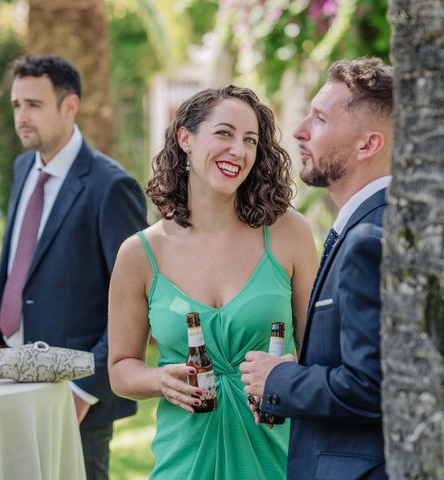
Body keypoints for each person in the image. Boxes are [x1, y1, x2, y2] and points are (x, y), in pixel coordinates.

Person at [108, 85, 318, 479]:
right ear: (185, 138)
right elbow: (120, 368)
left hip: (278, 458)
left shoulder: (289, 233)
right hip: (183, 463)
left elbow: (322, 349)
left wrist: (291, 370)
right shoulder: (139, 254)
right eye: (224, 133)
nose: (238, 151)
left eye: (250, 140)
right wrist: (159, 379)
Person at [0, 54, 147, 480]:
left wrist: (83, 391)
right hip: (9, 375)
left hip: (75, 392)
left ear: (70, 106)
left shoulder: (111, 186)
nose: (22, 116)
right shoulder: (24, 166)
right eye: (16, 104)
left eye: (34, 105)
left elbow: (137, 301)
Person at [239, 57, 393, 479]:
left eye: (320, 119)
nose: (299, 130)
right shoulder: (373, 226)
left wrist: (282, 380)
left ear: (368, 145)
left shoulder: (369, 240)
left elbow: (372, 386)